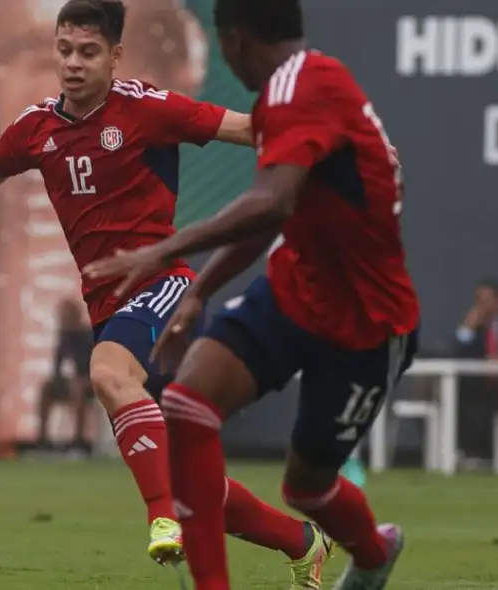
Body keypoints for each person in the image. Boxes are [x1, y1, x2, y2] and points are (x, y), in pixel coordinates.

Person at [0, 0, 332, 583]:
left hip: (164, 287)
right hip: (107, 307)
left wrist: (329, 146)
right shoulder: (36, 127)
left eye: (88, 52)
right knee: (186, 478)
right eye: (64, 50)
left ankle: (162, 519)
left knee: (106, 375)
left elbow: (243, 128)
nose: (72, 63)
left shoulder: (147, 108)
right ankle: (302, 542)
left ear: (115, 56)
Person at [84, 0, 419, 587]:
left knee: (307, 487)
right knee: (187, 405)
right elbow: (274, 214)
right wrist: (200, 291)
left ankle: (373, 552)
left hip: (364, 319)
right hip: (293, 291)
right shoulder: (281, 99)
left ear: (234, 40)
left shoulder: (308, 87)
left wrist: (165, 250)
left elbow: (271, 201)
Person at [455, 279, 498, 467]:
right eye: (478, 300)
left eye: (486, 300)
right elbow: (458, 355)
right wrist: (467, 329)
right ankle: (471, 455)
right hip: (480, 387)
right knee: (462, 400)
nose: (482, 306)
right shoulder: (474, 326)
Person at [38, 299, 95, 450]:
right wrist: (57, 380)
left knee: (78, 386)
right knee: (46, 387)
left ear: (76, 317)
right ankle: (42, 438)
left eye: (66, 316)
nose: (63, 320)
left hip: (92, 380)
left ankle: (78, 439)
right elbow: (58, 365)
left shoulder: (89, 336)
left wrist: (85, 379)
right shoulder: (65, 336)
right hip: (76, 381)